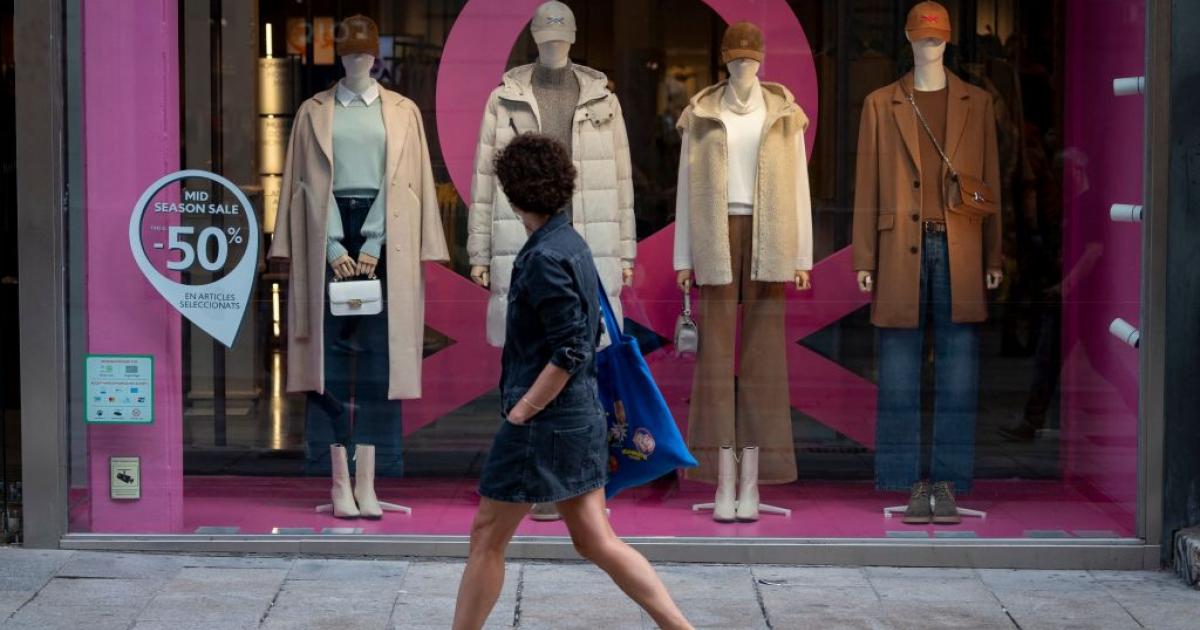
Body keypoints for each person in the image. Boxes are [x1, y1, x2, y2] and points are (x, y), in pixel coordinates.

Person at [452, 134, 693, 630]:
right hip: (577, 417)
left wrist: (523, 411)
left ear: (515, 195)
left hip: (546, 423)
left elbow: (572, 349)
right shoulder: (571, 243)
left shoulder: (543, 258)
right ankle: (679, 627)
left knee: (486, 537)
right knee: (594, 540)